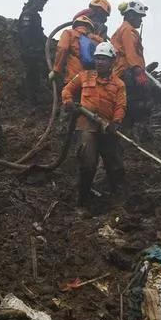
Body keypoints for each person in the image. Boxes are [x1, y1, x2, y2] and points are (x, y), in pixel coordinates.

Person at [62, 42, 127, 207]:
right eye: (98, 58)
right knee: (88, 164)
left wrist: (116, 123)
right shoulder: (84, 76)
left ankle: (118, 200)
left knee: (114, 164)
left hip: (107, 127)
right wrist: (69, 102)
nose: (100, 62)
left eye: (104, 59)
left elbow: (121, 106)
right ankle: (82, 201)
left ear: (112, 61)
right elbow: (67, 90)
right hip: (86, 125)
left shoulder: (119, 84)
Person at [111, 0, 151, 134]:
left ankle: (129, 127)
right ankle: (132, 129)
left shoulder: (124, 29)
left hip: (124, 72)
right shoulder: (128, 30)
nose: (141, 20)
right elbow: (131, 52)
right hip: (127, 72)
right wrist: (138, 71)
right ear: (131, 15)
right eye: (139, 16)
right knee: (135, 102)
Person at [50, 15, 103, 86]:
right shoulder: (98, 40)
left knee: (69, 92)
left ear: (75, 25)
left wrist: (56, 70)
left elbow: (63, 49)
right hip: (94, 80)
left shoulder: (69, 33)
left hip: (75, 77)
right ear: (90, 27)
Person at [16, 0, 49, 103]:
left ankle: (35, 97)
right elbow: (25, 34)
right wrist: (33, 49)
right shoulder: (28, 14)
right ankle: (30, 99)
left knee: (36, 76)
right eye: (41, 2)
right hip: (29, 54)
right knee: (32, 75)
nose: (42, 5)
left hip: (34, 52)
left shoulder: (34, 15)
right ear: (34, 0)